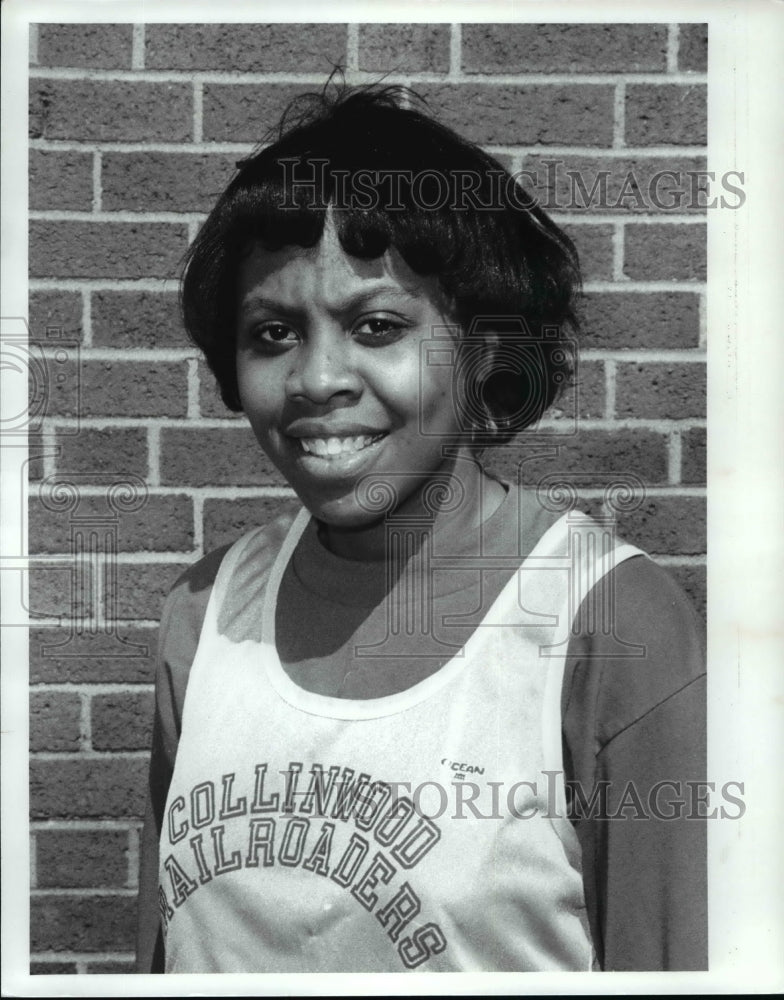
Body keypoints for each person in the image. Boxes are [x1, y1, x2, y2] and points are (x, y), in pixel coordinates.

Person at [135, 83, 707, 974]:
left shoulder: (609, 624)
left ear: (483, 346)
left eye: (377, 326)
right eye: (274, 333)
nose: (319, 378)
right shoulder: (204, 617)